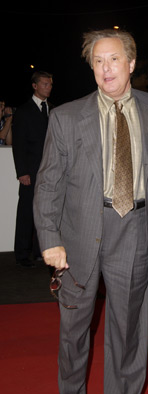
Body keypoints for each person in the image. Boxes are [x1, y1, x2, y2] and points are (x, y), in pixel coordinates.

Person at [33, 29, 148, 394]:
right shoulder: (65, 117)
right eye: (98, 61)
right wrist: (50, 241)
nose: (106, 68)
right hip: (78, 236)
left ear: (131, 62)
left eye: (113, 59)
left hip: (135, 231)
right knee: (74, 332)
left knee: (128, 332)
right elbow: (48, 185)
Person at [12, 70, 53, 267]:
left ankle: (39, 251)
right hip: (30, 171)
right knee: (26, 213)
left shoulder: (52, 110)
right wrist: (22, 172)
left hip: (49, 171)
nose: (49, 87)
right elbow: (18, 144)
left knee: (44, 212)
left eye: (50, 84)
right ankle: (21, 253)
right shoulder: (24, 110)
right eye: (45, 84)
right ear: (35, 86)